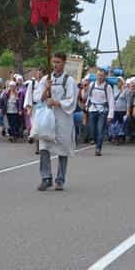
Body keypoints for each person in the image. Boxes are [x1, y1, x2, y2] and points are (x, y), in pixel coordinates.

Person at [33, 52, 78, 191]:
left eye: (58, 62)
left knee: (63, 149)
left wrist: (57, 102)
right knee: (44, 147)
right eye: (53, 62)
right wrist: (46, 88)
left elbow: (71, 101)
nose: (55, 65)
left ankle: (60, 179)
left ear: (64, 63)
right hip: (47, 119)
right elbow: (37, 97)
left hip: (63, 119)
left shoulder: (69, 81)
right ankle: (46, 178)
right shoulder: (46, 79)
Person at [85, 73, 115, 156]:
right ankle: (95, 140)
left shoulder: (107, 87)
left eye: (102, 75)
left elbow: (111, 100)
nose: (100, 77)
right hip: (92, 109)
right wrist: (87, 105)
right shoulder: (92, 84)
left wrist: (110, 114)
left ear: (104, 77)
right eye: (98, 75)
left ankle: (98, 148)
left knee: (100, 130)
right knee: (92, 129)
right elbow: (89, 96)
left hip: (103, 111)